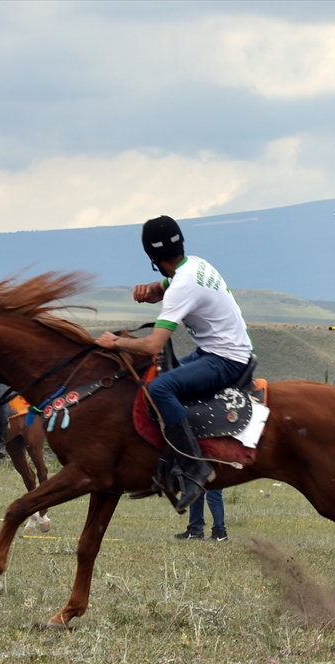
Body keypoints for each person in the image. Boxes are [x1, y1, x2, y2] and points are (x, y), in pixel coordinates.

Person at [95, 215, 254, 513]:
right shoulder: (194, 265)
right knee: (165, 377)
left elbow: (153, 344)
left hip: (225, 359)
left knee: (159, 389)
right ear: (180, 243)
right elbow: (164, 288)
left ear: (150, 255)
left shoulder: (184, 285)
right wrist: (147, 291)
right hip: (220, 351)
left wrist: (114, 343)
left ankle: (194, 468)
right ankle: (165, 466)